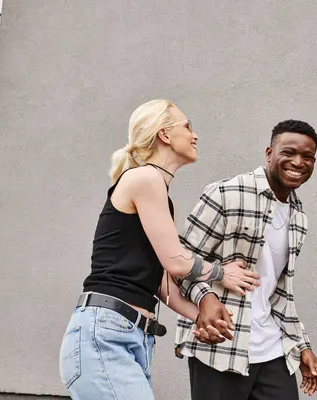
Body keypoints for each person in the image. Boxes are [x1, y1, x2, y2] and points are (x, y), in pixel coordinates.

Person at [58, 99, 260, 400]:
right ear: (164, 135)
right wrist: (222, 273)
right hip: (105, 334)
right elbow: (177, 262)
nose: (195, 135)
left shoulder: (161, 195)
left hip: (132, 336)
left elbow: (164, 285)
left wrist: (203, 318)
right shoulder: (144, 179)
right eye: (187, 126)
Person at [175, 120, 317, 399]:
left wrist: (302, 345)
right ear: (269, 153)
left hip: (273, 349)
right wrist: (206, 298)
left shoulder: (298, 218)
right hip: (221, 345)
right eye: (289, 152)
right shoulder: (225, 193)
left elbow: (278, 293)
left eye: (308, 157)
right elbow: (179, 262)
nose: (298, 162)